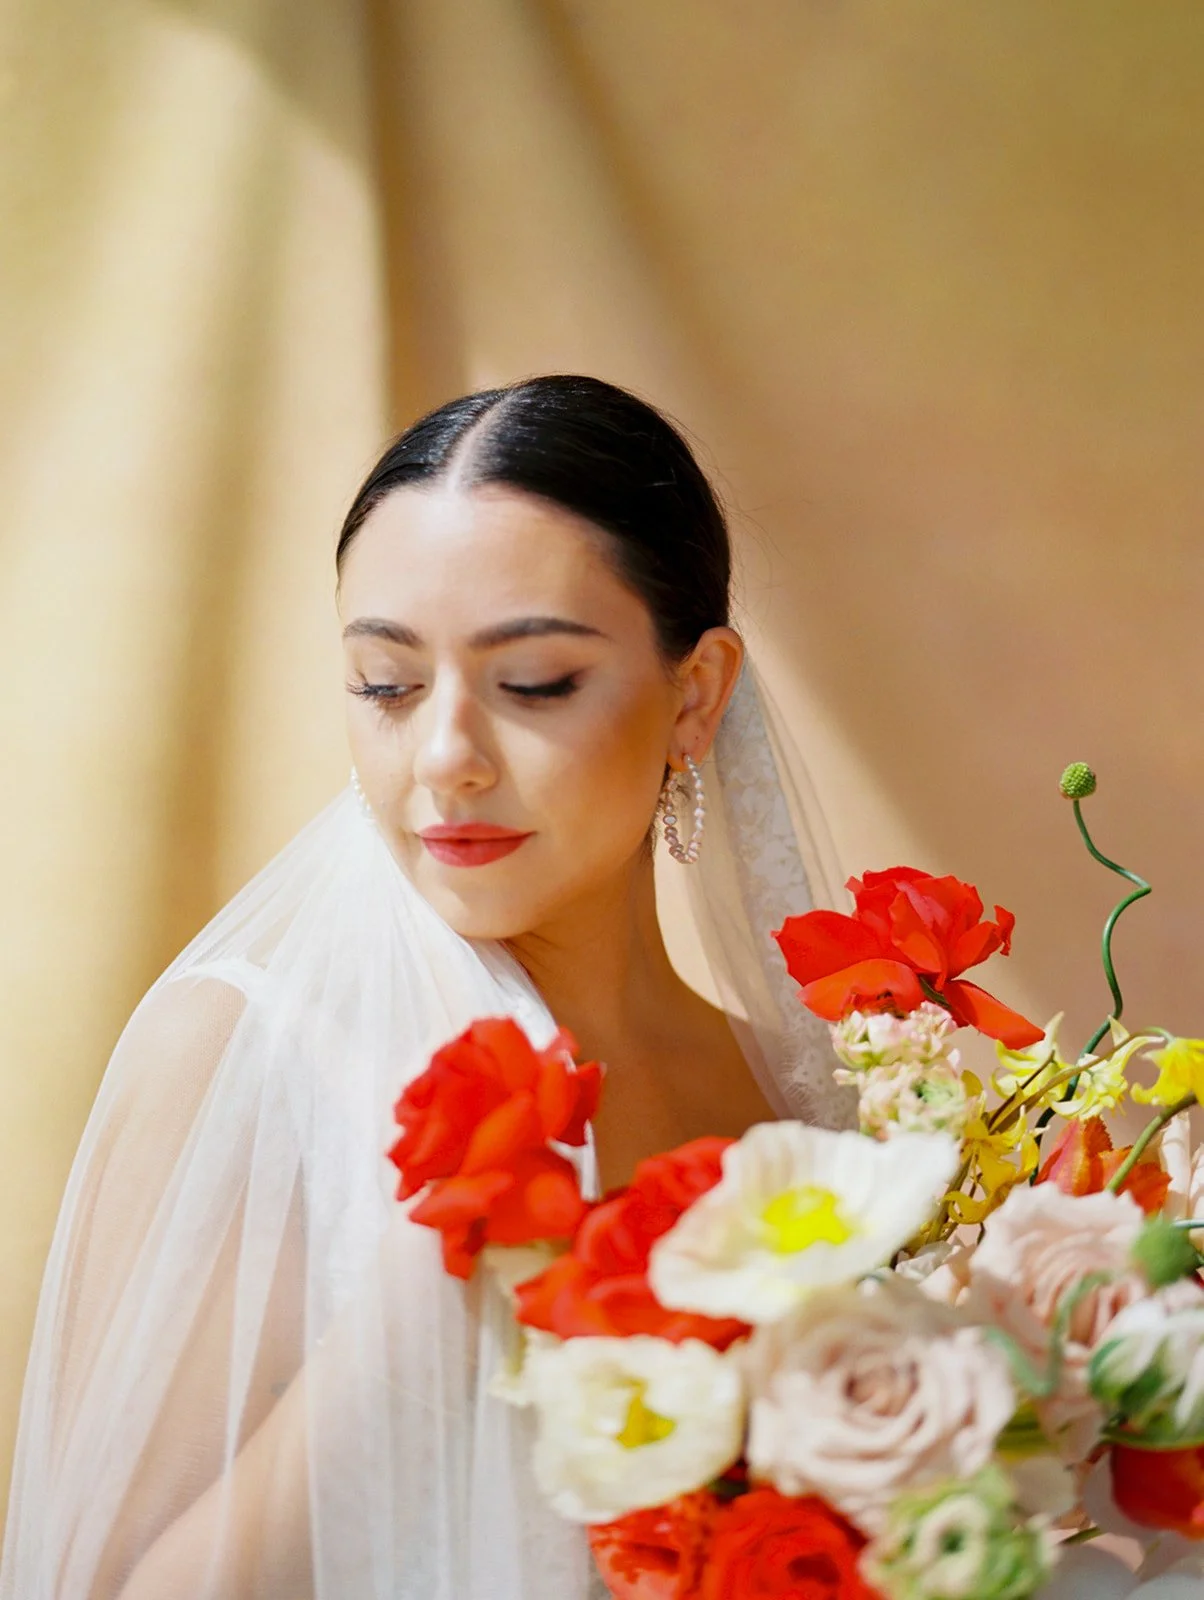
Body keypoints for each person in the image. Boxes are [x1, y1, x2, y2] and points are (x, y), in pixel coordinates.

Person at [1, 375, 851, 1599]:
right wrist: (429, 1297)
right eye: (388, 686)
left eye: (535, 683)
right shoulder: (250, 1051)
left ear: (696, 694)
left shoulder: (798, 1094)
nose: (445, 758)